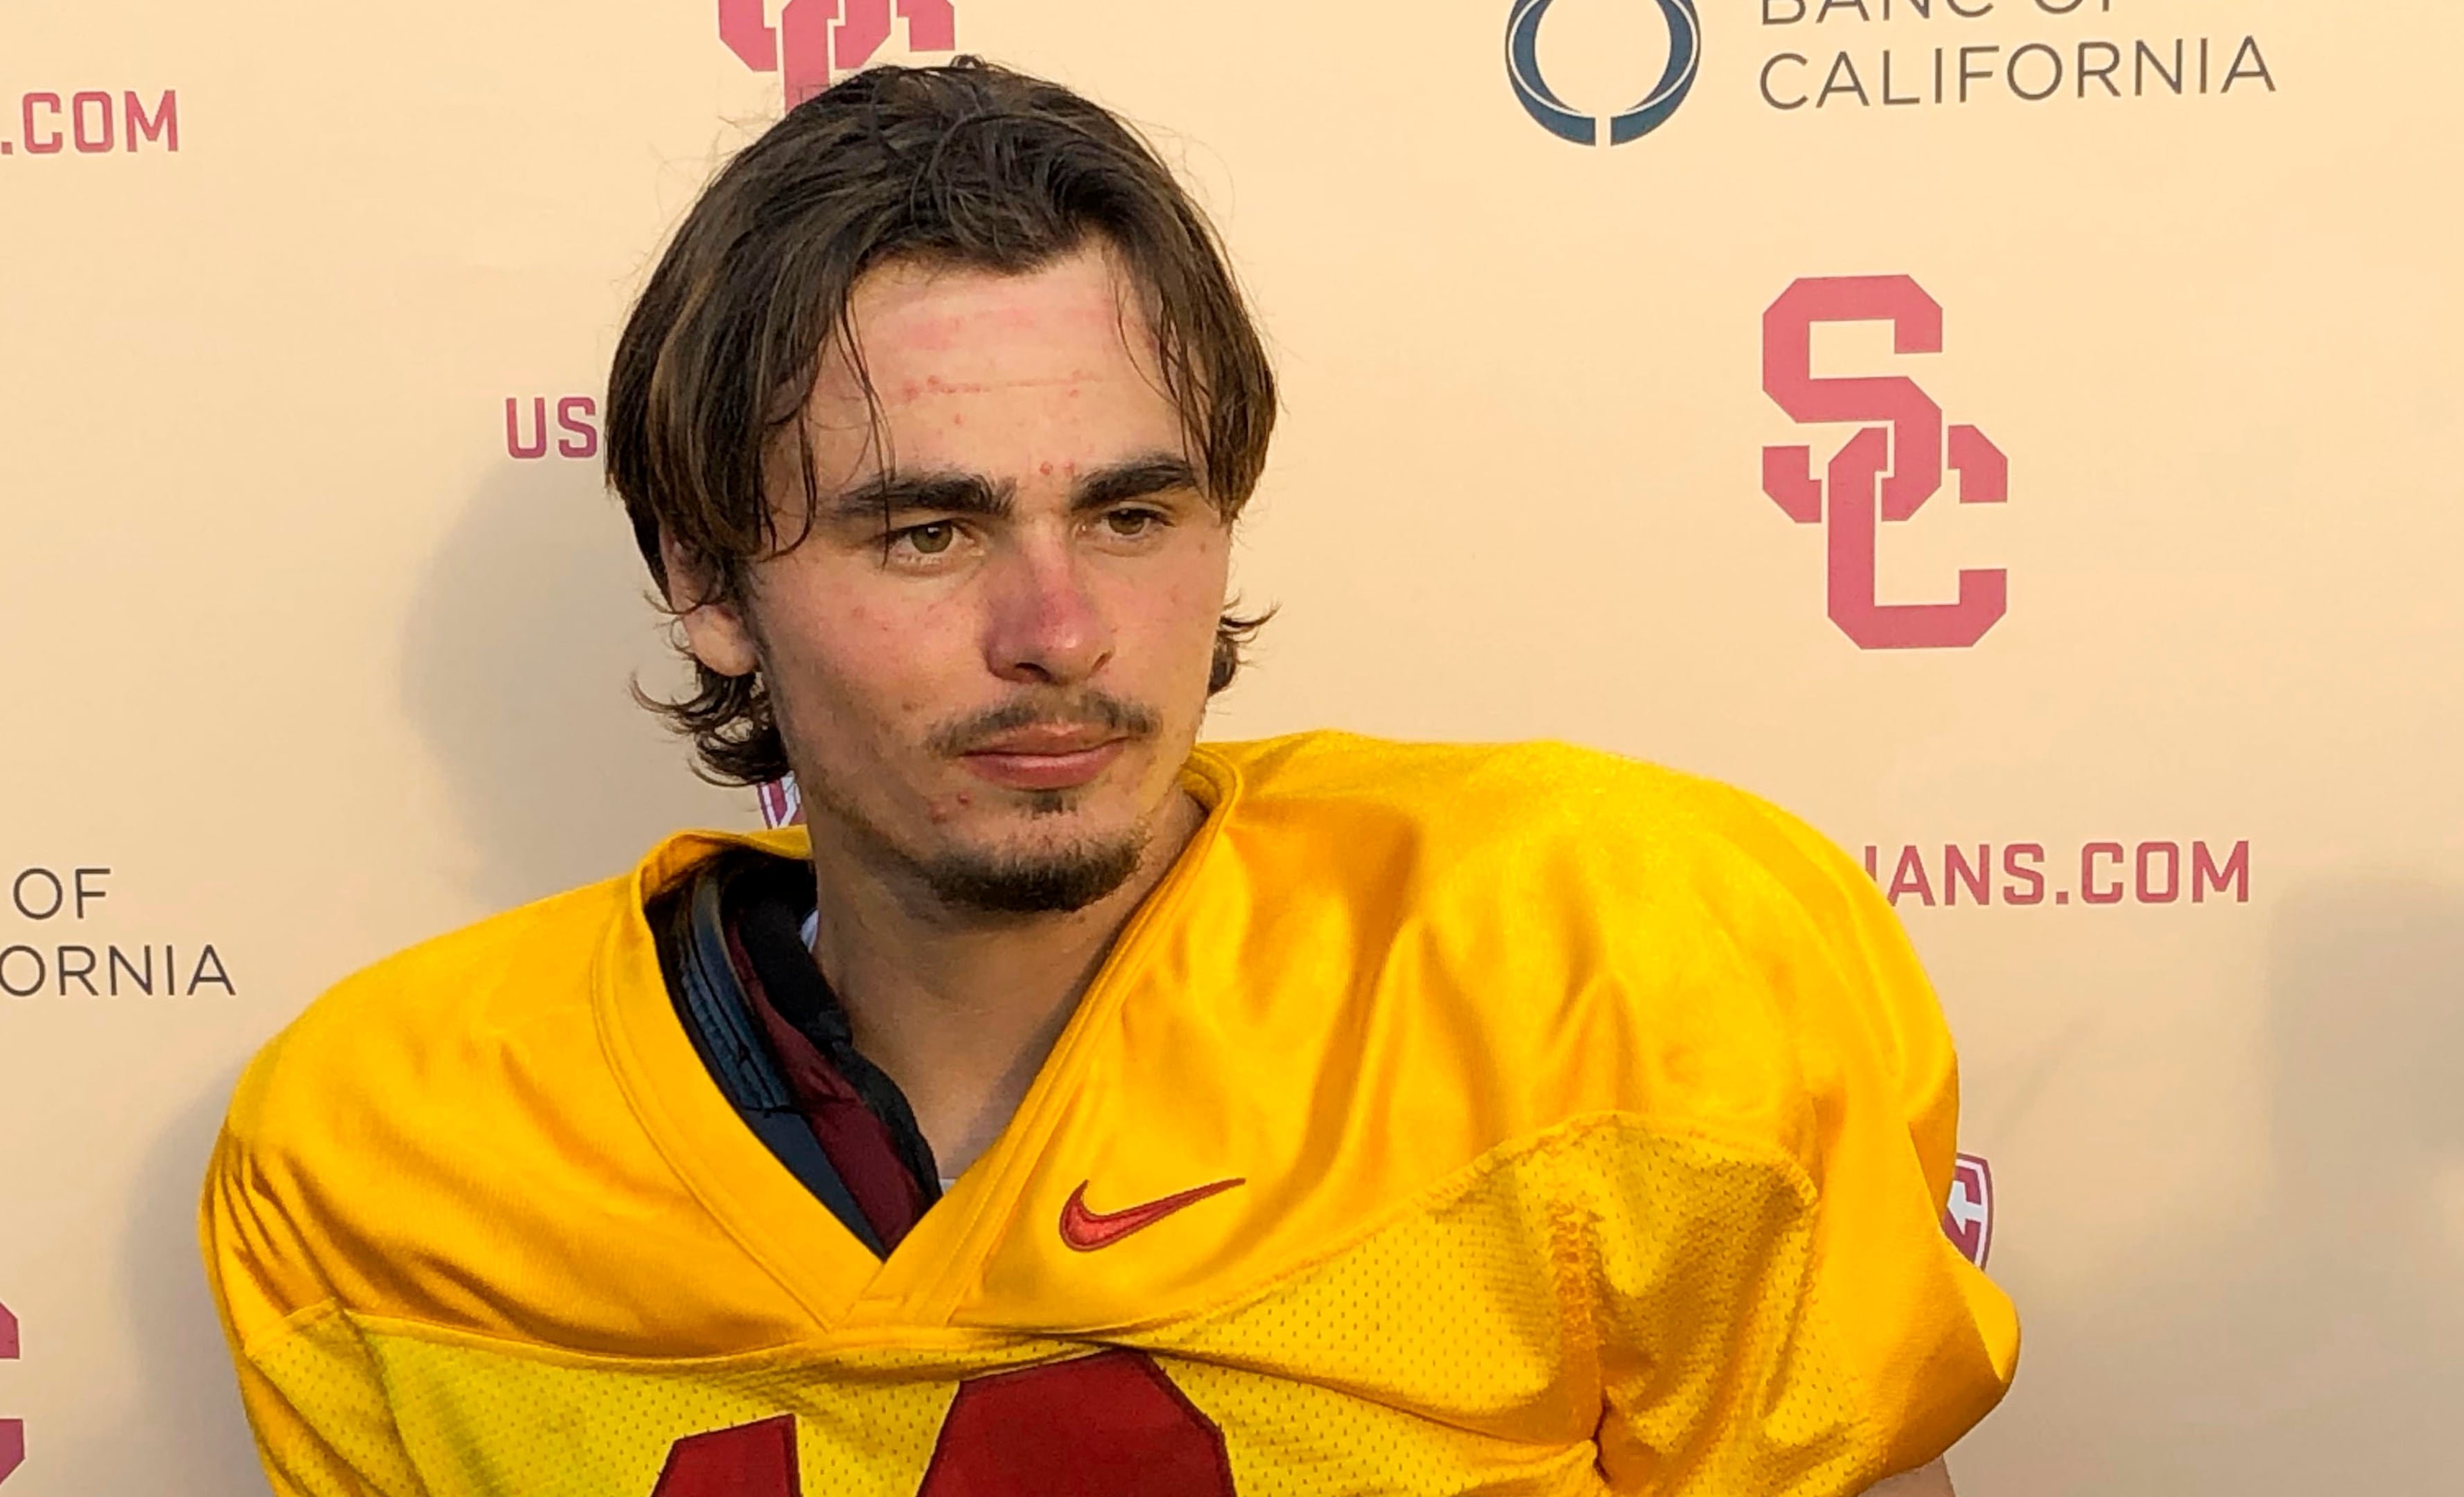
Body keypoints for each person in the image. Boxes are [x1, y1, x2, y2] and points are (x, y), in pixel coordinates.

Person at [200, 59, 2016, 1496]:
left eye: (1134, 512)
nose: (1062, 628)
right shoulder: (386, 1156)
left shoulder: (1603, 974)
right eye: (928, 532)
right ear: (705, 583)